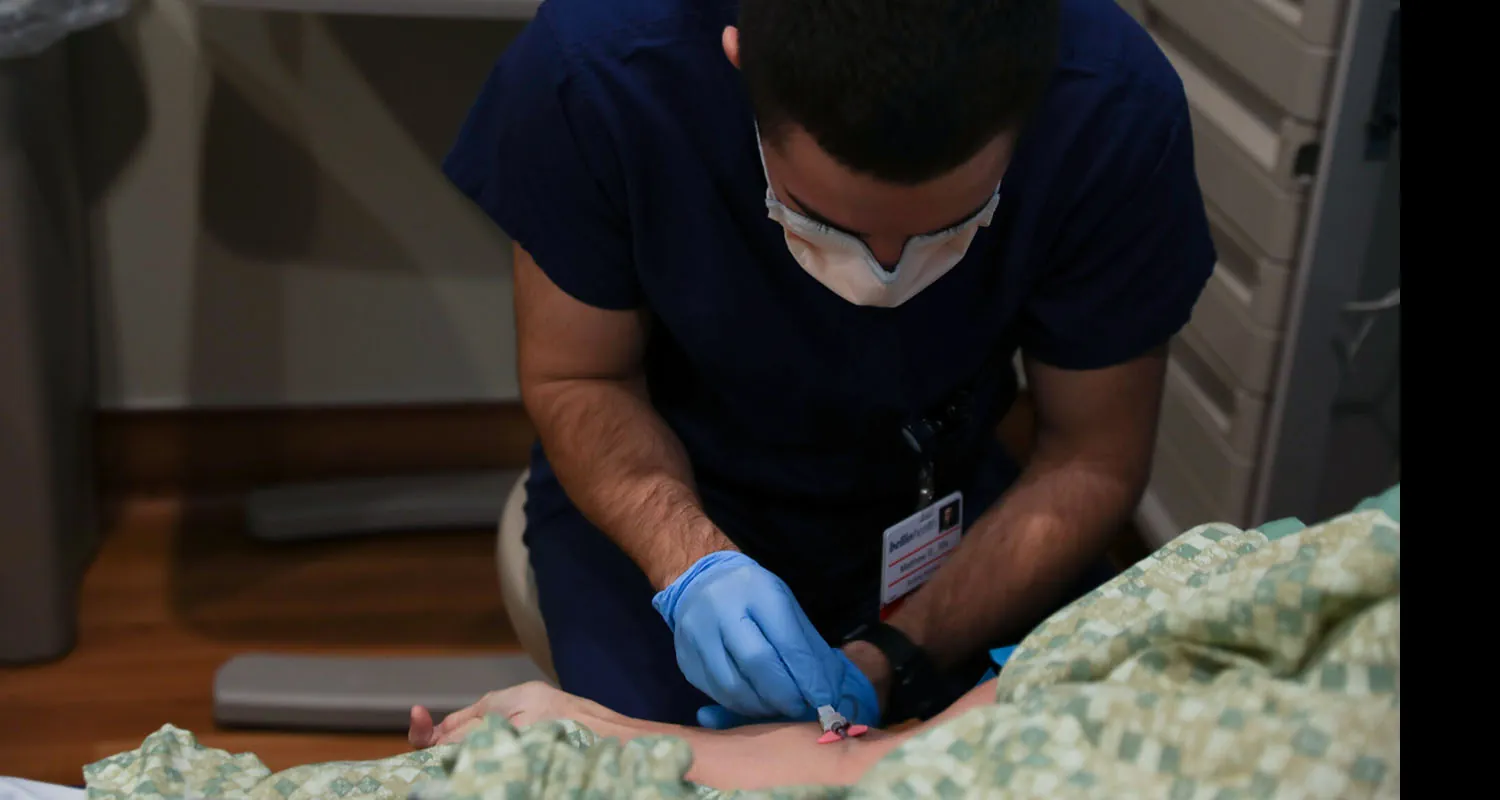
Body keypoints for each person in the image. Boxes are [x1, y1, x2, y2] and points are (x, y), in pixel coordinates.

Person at [444, 0, 1215, 731]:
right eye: (824, 222)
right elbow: (581, 379)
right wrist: (696, 566)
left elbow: (1092, 454)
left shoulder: (1111, 104)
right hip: (666, 488)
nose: (882, 274)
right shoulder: (600, 69)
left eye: (949, 230)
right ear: (739, 59)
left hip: (942, 501)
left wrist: (896, 657)